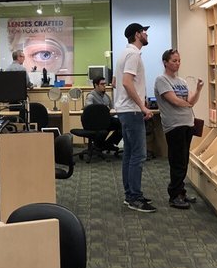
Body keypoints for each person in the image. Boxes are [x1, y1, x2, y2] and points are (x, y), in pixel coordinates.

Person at [154, 49, 204, 209]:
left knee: (183, 160)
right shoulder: (161, 80)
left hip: (187, 124)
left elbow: (191, 101)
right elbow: (174, 100)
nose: (177, 63)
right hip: (174, 126)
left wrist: (198, 89)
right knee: (177, 161)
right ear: (165, 62)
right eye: (174, 61)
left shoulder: (181, 81)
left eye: (179, 61)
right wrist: (188, 103)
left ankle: (181, 192)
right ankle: (174, 195)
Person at [115, 22, 155, 212]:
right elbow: (126, 82)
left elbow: (116, 82)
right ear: (137, 34)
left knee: (130, 155)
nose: (147, 35)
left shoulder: (125, 53)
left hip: (126, 110)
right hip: (131, 110)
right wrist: (142, 106)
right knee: (138, 155)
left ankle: (130, 194)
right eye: (144, 32)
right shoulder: (133, 55)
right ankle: (134, 197)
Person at [85, 75, 122, 151]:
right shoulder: (91, 96)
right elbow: (89, 110)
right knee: (105, 129)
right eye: (102, 84)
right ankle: (102, 145)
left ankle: (109, 143)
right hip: (96, 122)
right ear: (96, 85)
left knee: (123, 124)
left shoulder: (107, 96)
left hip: (106, 120)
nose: (104, 86)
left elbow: (112, 109)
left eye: (105, 84)